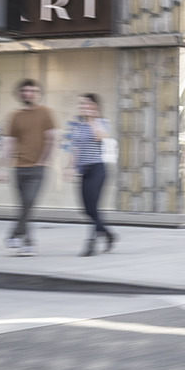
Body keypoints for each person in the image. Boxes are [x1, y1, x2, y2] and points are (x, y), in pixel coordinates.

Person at [0, 79, 58, 256]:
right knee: (24, 206)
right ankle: (28, 243)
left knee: (28, 202)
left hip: (37, 168)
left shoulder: (46, 113)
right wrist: (0, 167)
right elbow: (9, 143)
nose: (28, 94)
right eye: (25, 90)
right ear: (19, 93)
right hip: (18, 167)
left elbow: (52, 138)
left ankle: (15, 234)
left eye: (32, 91)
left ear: (37, 94)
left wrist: (44, 161)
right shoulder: (15, 116)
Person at [65, 93, 116, 257]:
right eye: (82, 104)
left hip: (98, 169)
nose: (84, 107)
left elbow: (100, 137)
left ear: (95, 106)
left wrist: (93, 120)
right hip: (83, 170)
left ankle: (91, 243)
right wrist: (70, 167)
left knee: (94, 207)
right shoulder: (78, 126)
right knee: (86, 209)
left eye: (88, 104)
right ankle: (108, 234)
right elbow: (75, 149)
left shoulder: (102, 123)